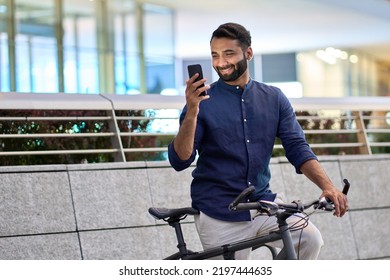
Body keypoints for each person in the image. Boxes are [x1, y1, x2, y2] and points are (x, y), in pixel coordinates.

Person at [168, 22, 348, 260]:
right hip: (219, 211)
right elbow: (180, 160)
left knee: (310, 238)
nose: (221, 63)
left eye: (229, 53)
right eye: (215, 55)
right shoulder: (202, 102)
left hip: (263, 205)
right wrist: (192, 111)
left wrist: (327, 186)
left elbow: (297, 147)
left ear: (248, 53)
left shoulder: (274, 98)